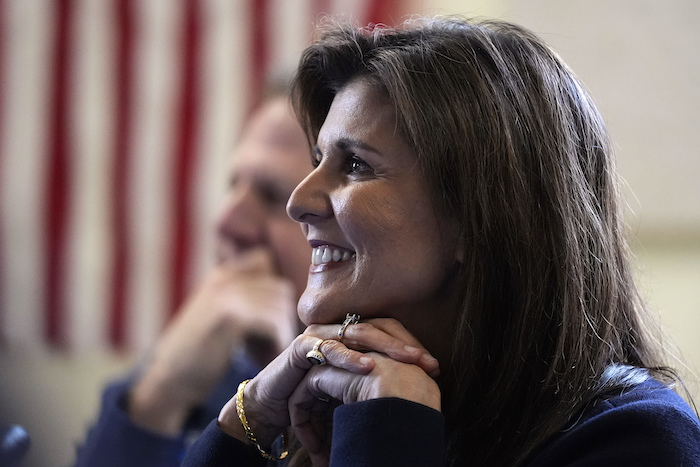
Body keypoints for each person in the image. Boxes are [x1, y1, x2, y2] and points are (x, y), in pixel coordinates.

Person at [183, 17, 700, 466]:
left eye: (356, 165)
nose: (300, 199)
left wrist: (390, 429)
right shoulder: (325, 400)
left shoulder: (636, 441)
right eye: (317, 159)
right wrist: (244, 424)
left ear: (479, 218)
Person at [73, 85, 313, 466]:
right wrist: (159, 398)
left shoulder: (389, 400)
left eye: (272, 195)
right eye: (233, 185)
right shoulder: (210, 357)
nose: (225, 220)